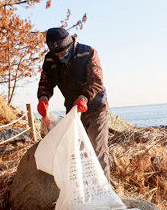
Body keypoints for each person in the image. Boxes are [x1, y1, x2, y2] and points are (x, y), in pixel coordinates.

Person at [37, 27, 111, 179]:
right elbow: (46, 82)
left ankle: (104, 190)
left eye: (63, 53)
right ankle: (82, 188)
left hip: (96, 106)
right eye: (57, 53)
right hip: (73, 110)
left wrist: (84, 97)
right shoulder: (50, 59)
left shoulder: (87, 52)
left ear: (70, 45)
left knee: (97, 148)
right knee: (77, 150)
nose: (60, 56)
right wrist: (43, 98)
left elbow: (97, 81)